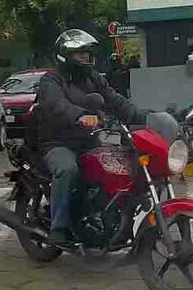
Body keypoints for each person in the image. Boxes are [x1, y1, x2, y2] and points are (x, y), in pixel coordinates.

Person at [36, 28, 146, 245]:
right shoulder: (51, 80)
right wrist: (81, 116)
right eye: (81, 53)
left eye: (88, 53)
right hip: (56, 142)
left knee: (117, 164)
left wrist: (143, 116)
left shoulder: (93, 78)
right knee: (68, 170)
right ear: (65, 55)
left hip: (88, 139)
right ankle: (58, 227)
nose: (86, 57)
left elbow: (115, 101)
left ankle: (103, 214)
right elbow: (56, 105)